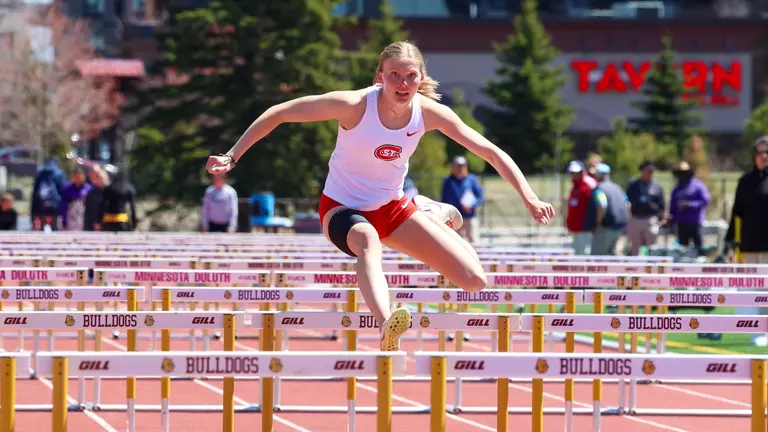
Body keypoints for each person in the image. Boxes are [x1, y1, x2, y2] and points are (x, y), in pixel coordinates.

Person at [206, 41, 554, 352]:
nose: (402, 84)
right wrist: (232, 156)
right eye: (394, 76)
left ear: (421, 78)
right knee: (367, 239)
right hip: (342, 209)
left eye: (410, 76)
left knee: (475, 281)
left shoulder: (429, 113)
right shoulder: (354, 105)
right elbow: (281, 113)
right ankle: (388, 323)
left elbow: (491, 152)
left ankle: (428, 211)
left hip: (392, 209)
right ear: (379, 77)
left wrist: (529, 197)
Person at [724, 137, 768, 345]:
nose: (764, 156)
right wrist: (731, 240)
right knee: (752, 288)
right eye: (760, 152)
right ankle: (757, 329)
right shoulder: (745, 181)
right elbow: (737, 213)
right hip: (750, 245)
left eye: (767, 152)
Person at [669, 161, 711, 255]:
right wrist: (672, 221)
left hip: (695, 222)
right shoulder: (677, 188)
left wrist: (690, 205)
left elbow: (706, 200)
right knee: (683, 249)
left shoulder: (698, 186)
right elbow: (673, 206)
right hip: (681, 223)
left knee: (698, 247)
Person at [587, 163, 629, 256]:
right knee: (613, 259)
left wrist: (597, 224)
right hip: (619, 228)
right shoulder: (617, 188)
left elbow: (602, 205)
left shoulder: (600, 189)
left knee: (596, 259)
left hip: (605, 228)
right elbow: (628, 204)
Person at [440, 155, 484, 243]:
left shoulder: (472, 180)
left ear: (466, 167)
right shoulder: (448, 181)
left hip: (469, 217)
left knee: (474, 242)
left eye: (462, 166)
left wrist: (471, 205)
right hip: (454, 218)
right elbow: (444, 199)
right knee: (455, 243)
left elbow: (480, 197)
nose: (460, 168)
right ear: (453, 167)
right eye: (457, 166)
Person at [626, 160, 666, 255]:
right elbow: (627, 200)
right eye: (647, 171)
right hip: (636, 218)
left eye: (651, 171)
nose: (649, 173)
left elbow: (662, 204)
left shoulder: (657, 186)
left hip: (650, 218)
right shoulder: (633, 184)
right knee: (635, 247)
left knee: (651, 247)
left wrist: (663, 217)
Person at [565, 160, 597, 255]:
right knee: (577, 254)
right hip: (575, 227)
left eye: (576, 172)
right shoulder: (575, 186)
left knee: (584, 255)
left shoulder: (589, 184)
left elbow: (597, 204)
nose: (574, 175)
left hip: (585, 228)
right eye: (572, 173)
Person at [30, 158, 65, 231]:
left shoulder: (40, 174)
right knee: (56, 233)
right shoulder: (59, 174)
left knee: (39, 234)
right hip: (55, 210)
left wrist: (33, 214)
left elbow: (34, 194)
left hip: (40, 209)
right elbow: (63, 194)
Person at [99, 168, 138, 232]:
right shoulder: (129, 188)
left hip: (108, 222)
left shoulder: (108, 189)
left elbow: (103, 205)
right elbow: (133, 208)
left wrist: (98, 221)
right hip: (122, 222)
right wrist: (134, 224)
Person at [60, 166, 92, 231]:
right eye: (76, 176)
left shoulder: (89, 189)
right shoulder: (67, 189)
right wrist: (64, 223)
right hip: (71, 221)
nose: (78, 178)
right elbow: (63, 207)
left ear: (84, 176)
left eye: (80, 176)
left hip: (85, 221)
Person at [84, 165, 108, 231]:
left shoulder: (110, 192)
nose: (100, 180)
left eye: (102, 178)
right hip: (92, 225)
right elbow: (87, 211)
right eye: (98, 178)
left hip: (107, 225)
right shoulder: (91, 193)